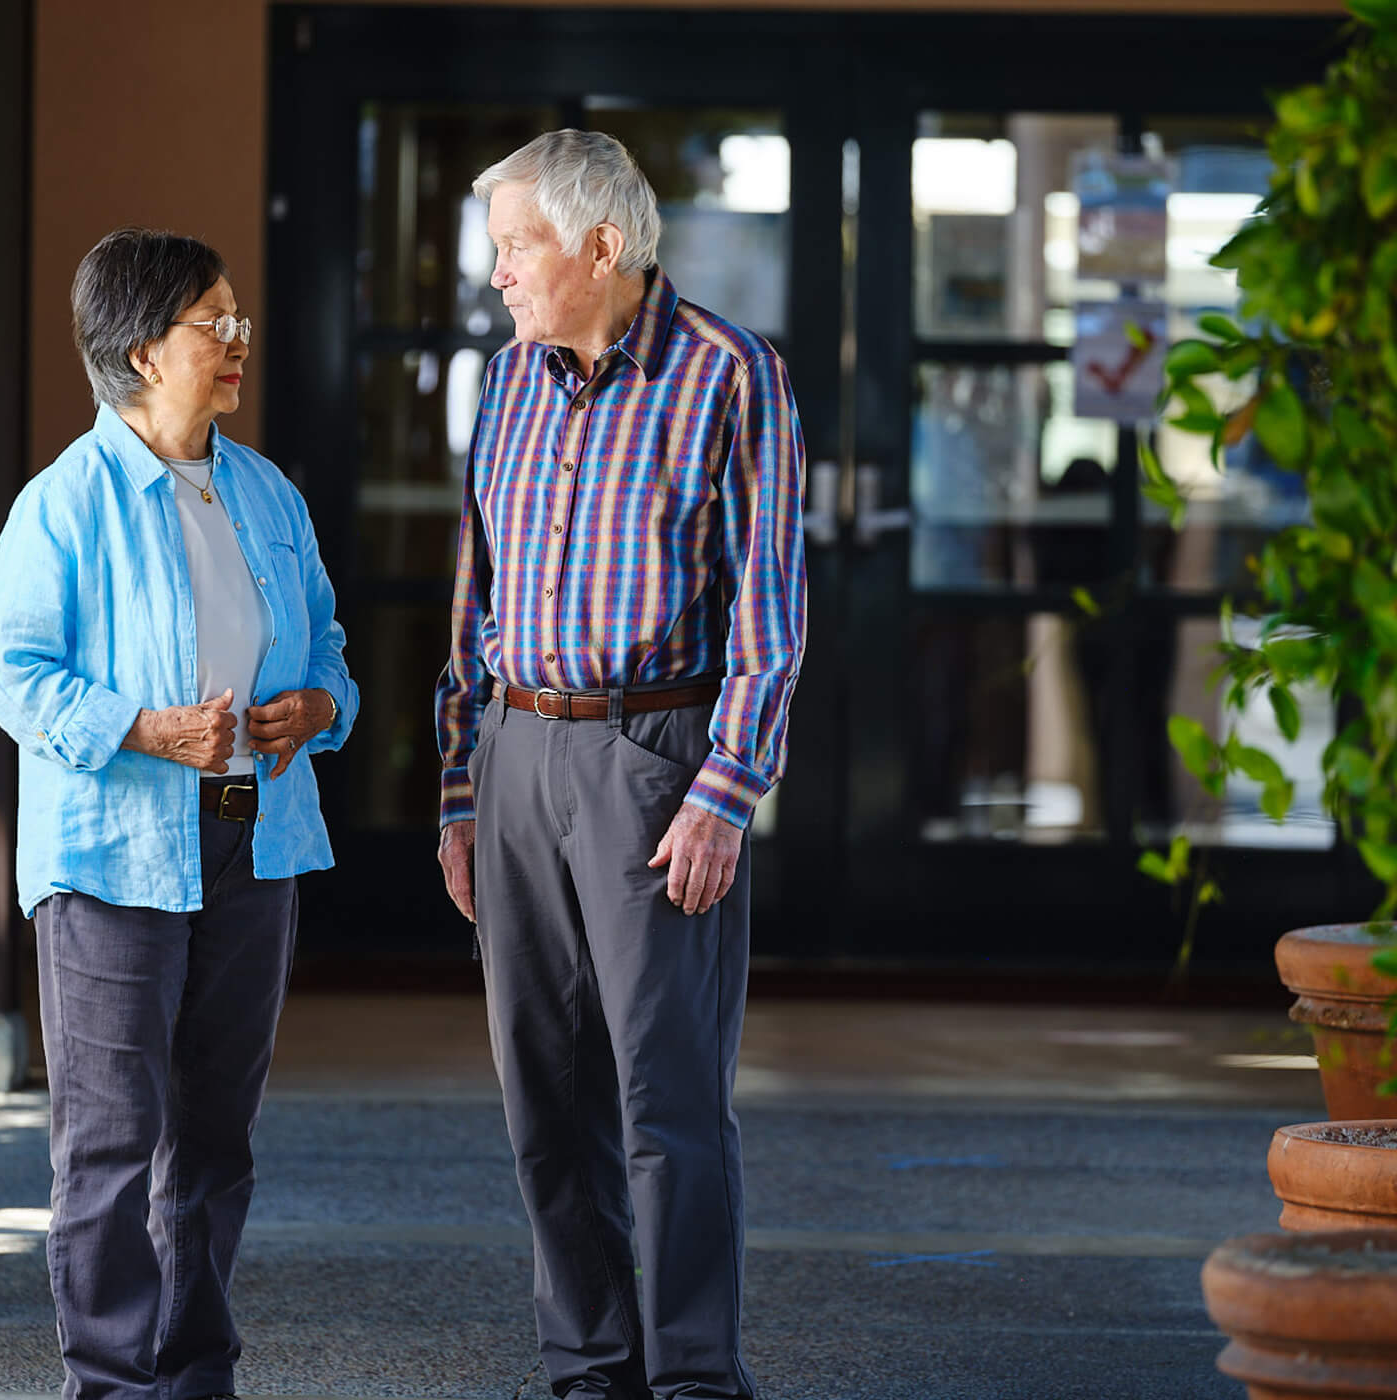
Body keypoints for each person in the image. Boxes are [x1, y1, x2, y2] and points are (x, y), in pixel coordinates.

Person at [435, 130, 807, 1400]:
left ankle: (697, 1375)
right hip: (517, 747)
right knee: (542, 1093)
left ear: (602, 246)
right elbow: (473, 604)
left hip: (656, 758)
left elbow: (769, 615)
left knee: (666, 1096)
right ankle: (590, 1366)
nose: (498, 276)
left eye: (515, 246)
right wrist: (459, 784)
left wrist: (726, 789)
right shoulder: (508, 384)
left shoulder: (731, 376)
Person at [0, 227, 357, 1400]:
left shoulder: (267, 491)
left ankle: (193, 1374)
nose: (237, 343)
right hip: (111, 853)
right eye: (212, 324)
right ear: (140, 350)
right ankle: (111, 1380)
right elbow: (7, 669)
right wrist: (141, 727)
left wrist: (318, 705)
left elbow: (330, 642)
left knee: (216, 1133)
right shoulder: (64, 505)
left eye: (235, 321)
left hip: (255, 832)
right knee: (108, 1139)